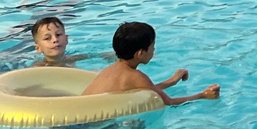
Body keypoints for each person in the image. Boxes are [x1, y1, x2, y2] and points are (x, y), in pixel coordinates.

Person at [80, 22, 220, 106]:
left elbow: (147, 88)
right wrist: (203, 95)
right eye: (153, 46)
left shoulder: (113, 69)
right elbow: (169, 102)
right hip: (84, 125)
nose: (154, 49)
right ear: (140, 53)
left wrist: (172, 81)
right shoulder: (136, 76)